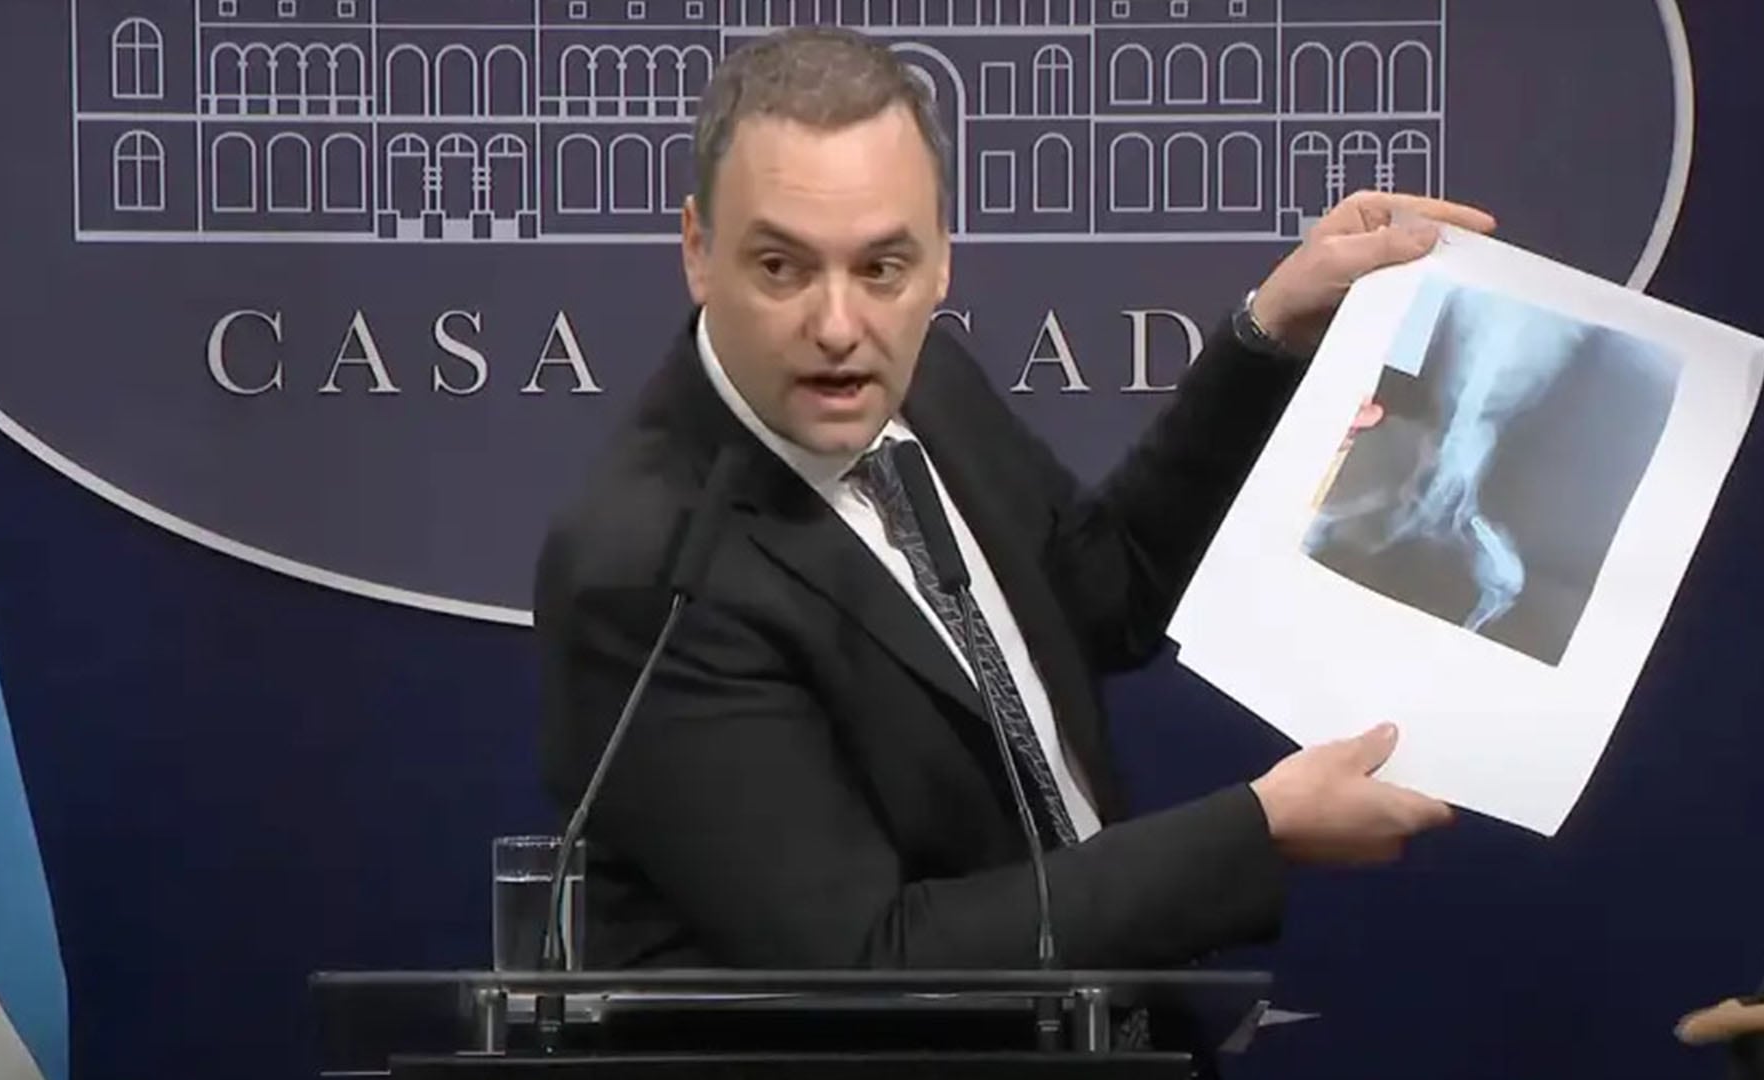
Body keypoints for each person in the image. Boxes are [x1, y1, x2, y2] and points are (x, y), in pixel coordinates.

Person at [534, 25, 1486, 974]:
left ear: (941, 259)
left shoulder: (925, 381)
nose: (838, 325)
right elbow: (866, 961)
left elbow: (1107, 595)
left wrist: (1271, 331)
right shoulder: (643, 572)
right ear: (699, 252)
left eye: (882, 267)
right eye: (782, 267)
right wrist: (1257, 830)